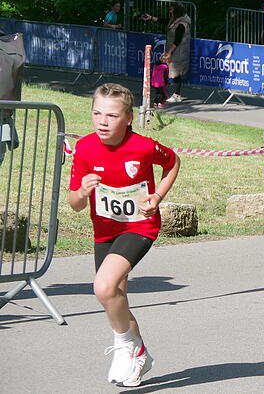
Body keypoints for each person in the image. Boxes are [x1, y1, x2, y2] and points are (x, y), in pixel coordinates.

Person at [68, 83, 180, 386]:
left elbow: (172, 163)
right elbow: (75, 204)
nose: (103, 122)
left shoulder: (142, 146)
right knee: (114, 298)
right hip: (105, 230)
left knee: (103, 287)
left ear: (128, 118)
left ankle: (127, 346)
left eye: (112, 116)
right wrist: (82, 191)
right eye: (97, 114)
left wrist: (157, 196)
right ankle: (139, 356)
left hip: (139, 225)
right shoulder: (85, 148)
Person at [142, 3, 191, 103]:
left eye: (171, 10)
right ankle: (163, 92)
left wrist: (169, 52)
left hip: (178, 50)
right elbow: (165, 21)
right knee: (167, 69)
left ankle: (176, 95)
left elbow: (177, 40)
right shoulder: (175, 19)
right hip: (173, 48)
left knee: (176, 72)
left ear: (176, 11)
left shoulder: (182, 24)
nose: (170, 12)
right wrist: (151, 18)